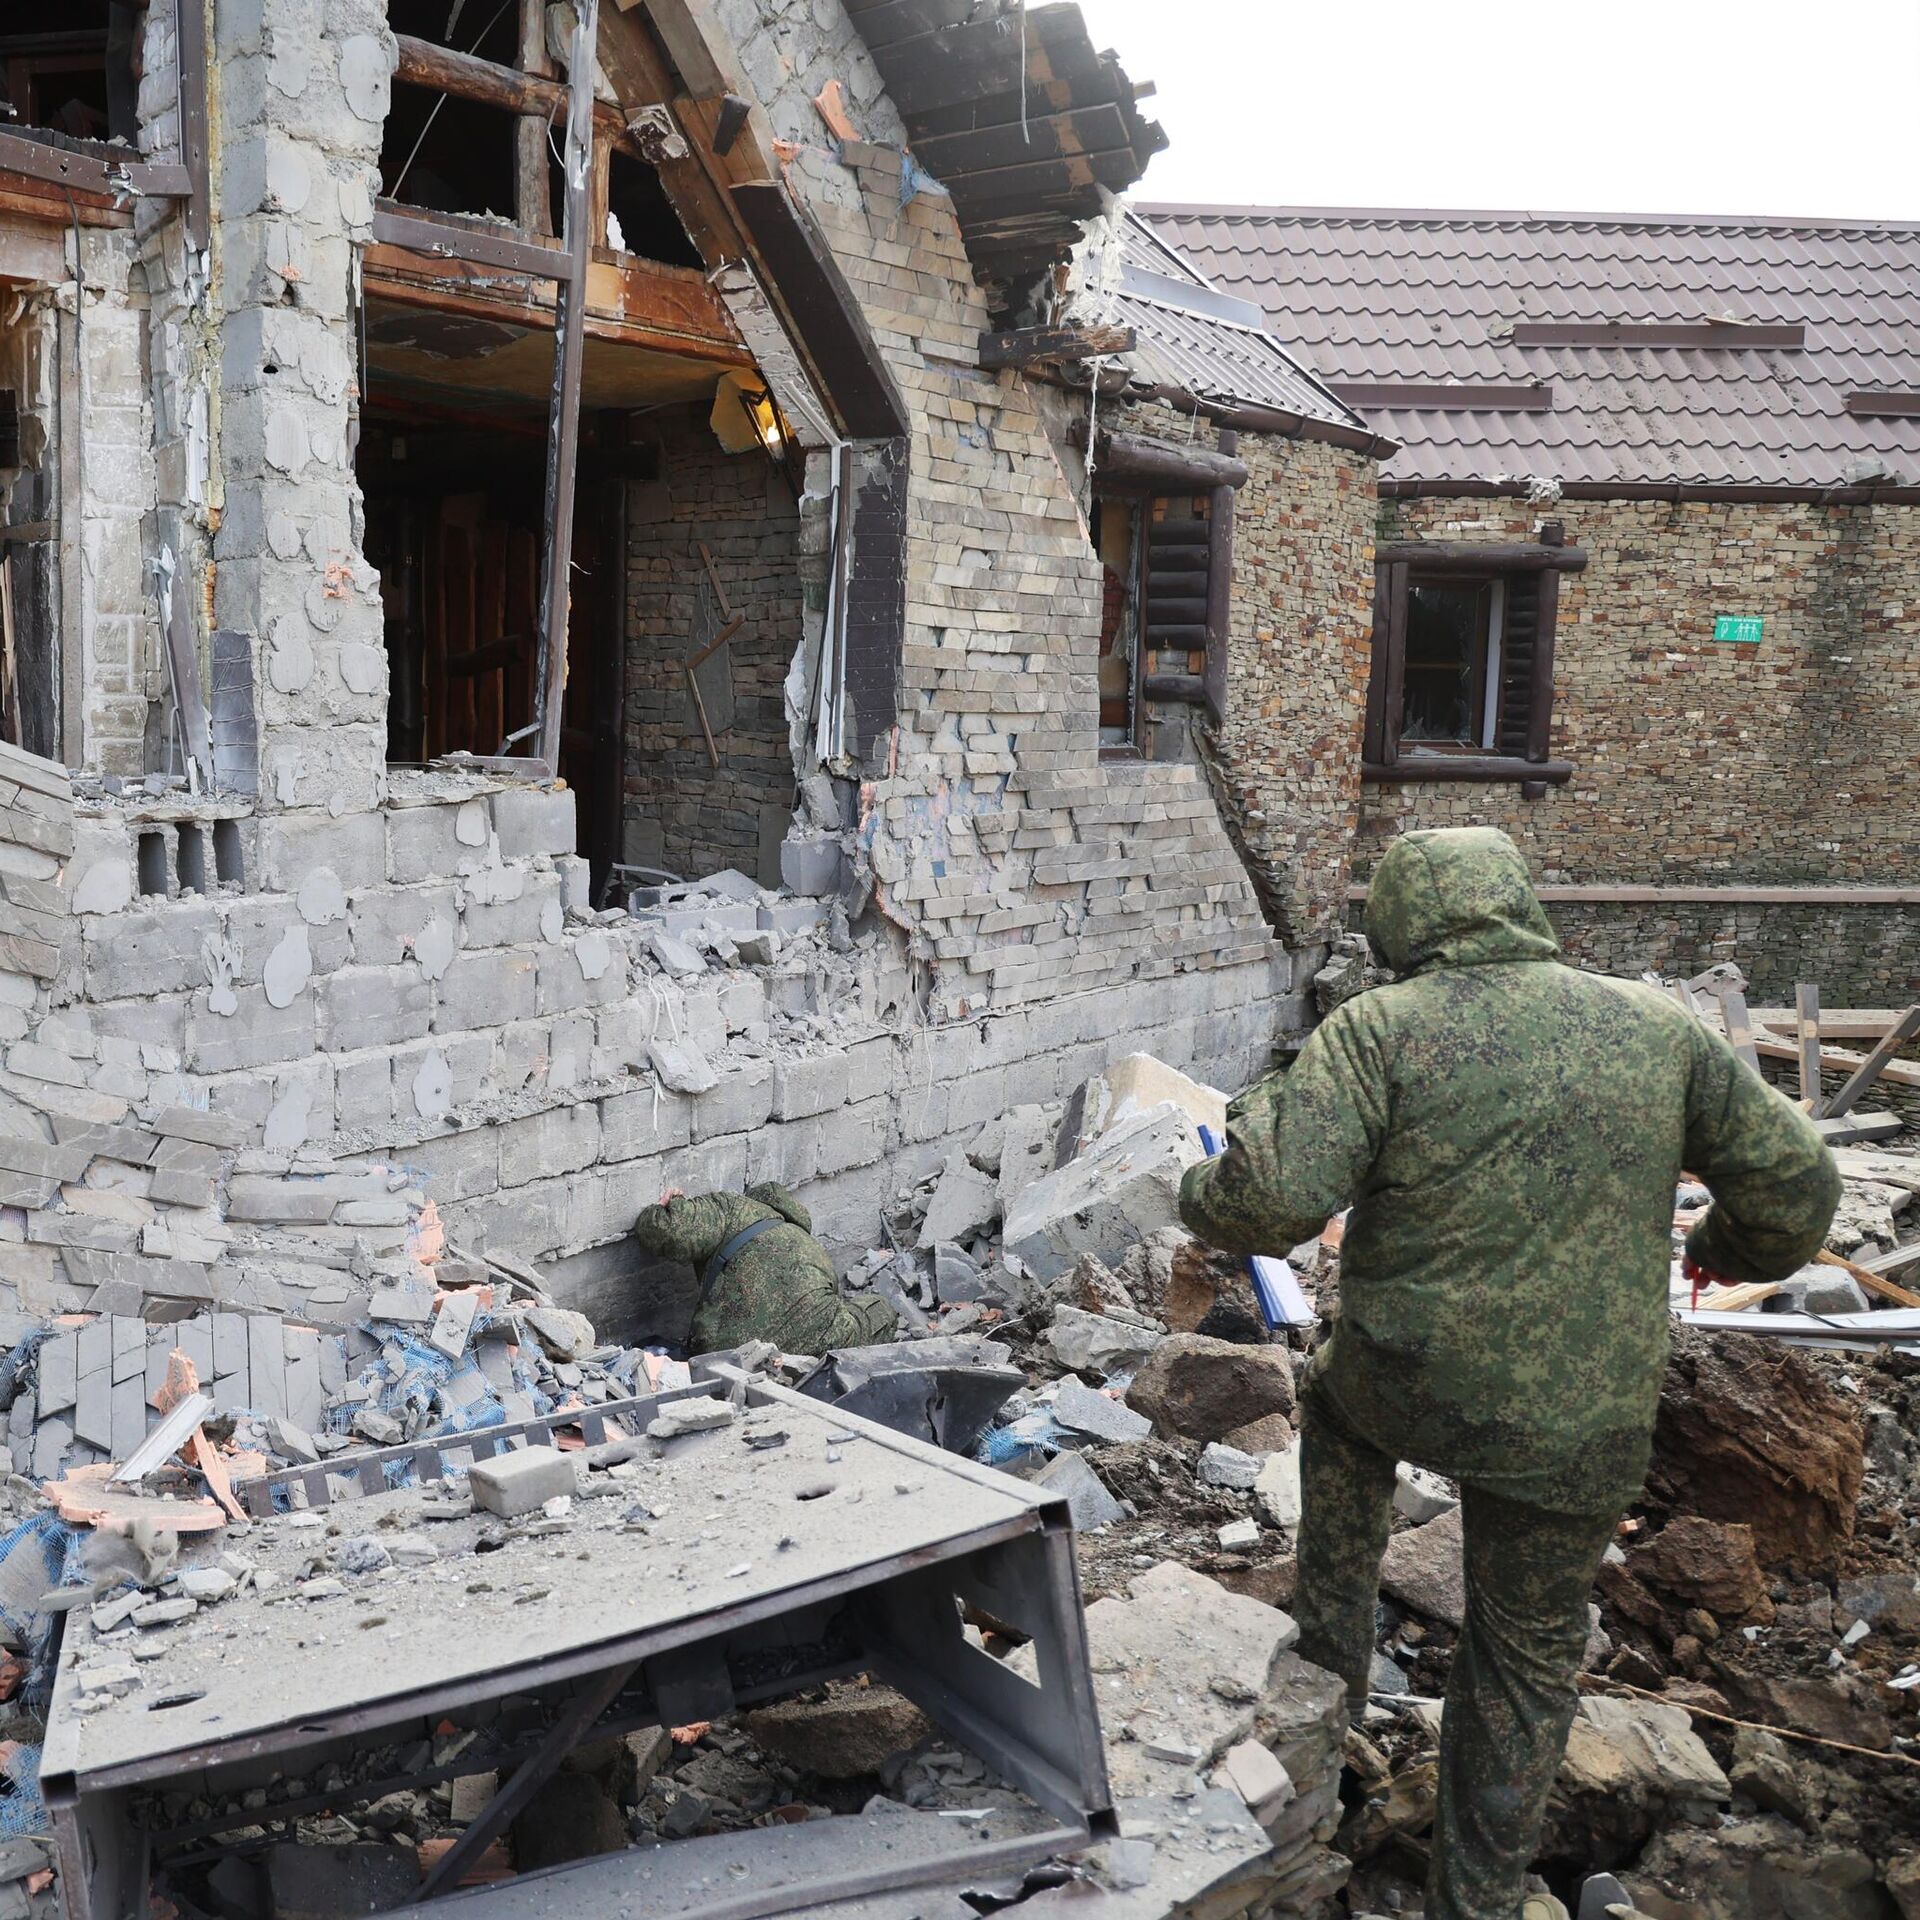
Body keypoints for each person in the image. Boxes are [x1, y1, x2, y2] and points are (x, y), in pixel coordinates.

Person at [1178, 827, 1839, 1920]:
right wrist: (1730, 1246)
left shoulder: (1380, 1028)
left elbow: (1268, 1203)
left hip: (1404, 1381)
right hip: (1580, 1417)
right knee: (1525, 1657)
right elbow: (1799, 1186)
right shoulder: (1655, 1026)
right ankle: (1478, 1899)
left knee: (1337, 1422)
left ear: (1401, 925)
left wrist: (1214, 1167)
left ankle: (1325, 1723)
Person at [633, 1180, 899, 1357]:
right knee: (881, 1309)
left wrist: (671, 1205)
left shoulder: (734, 1208)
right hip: (817, 1346)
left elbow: (665, 1229)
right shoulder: (807, 1242)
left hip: (730, 1354)